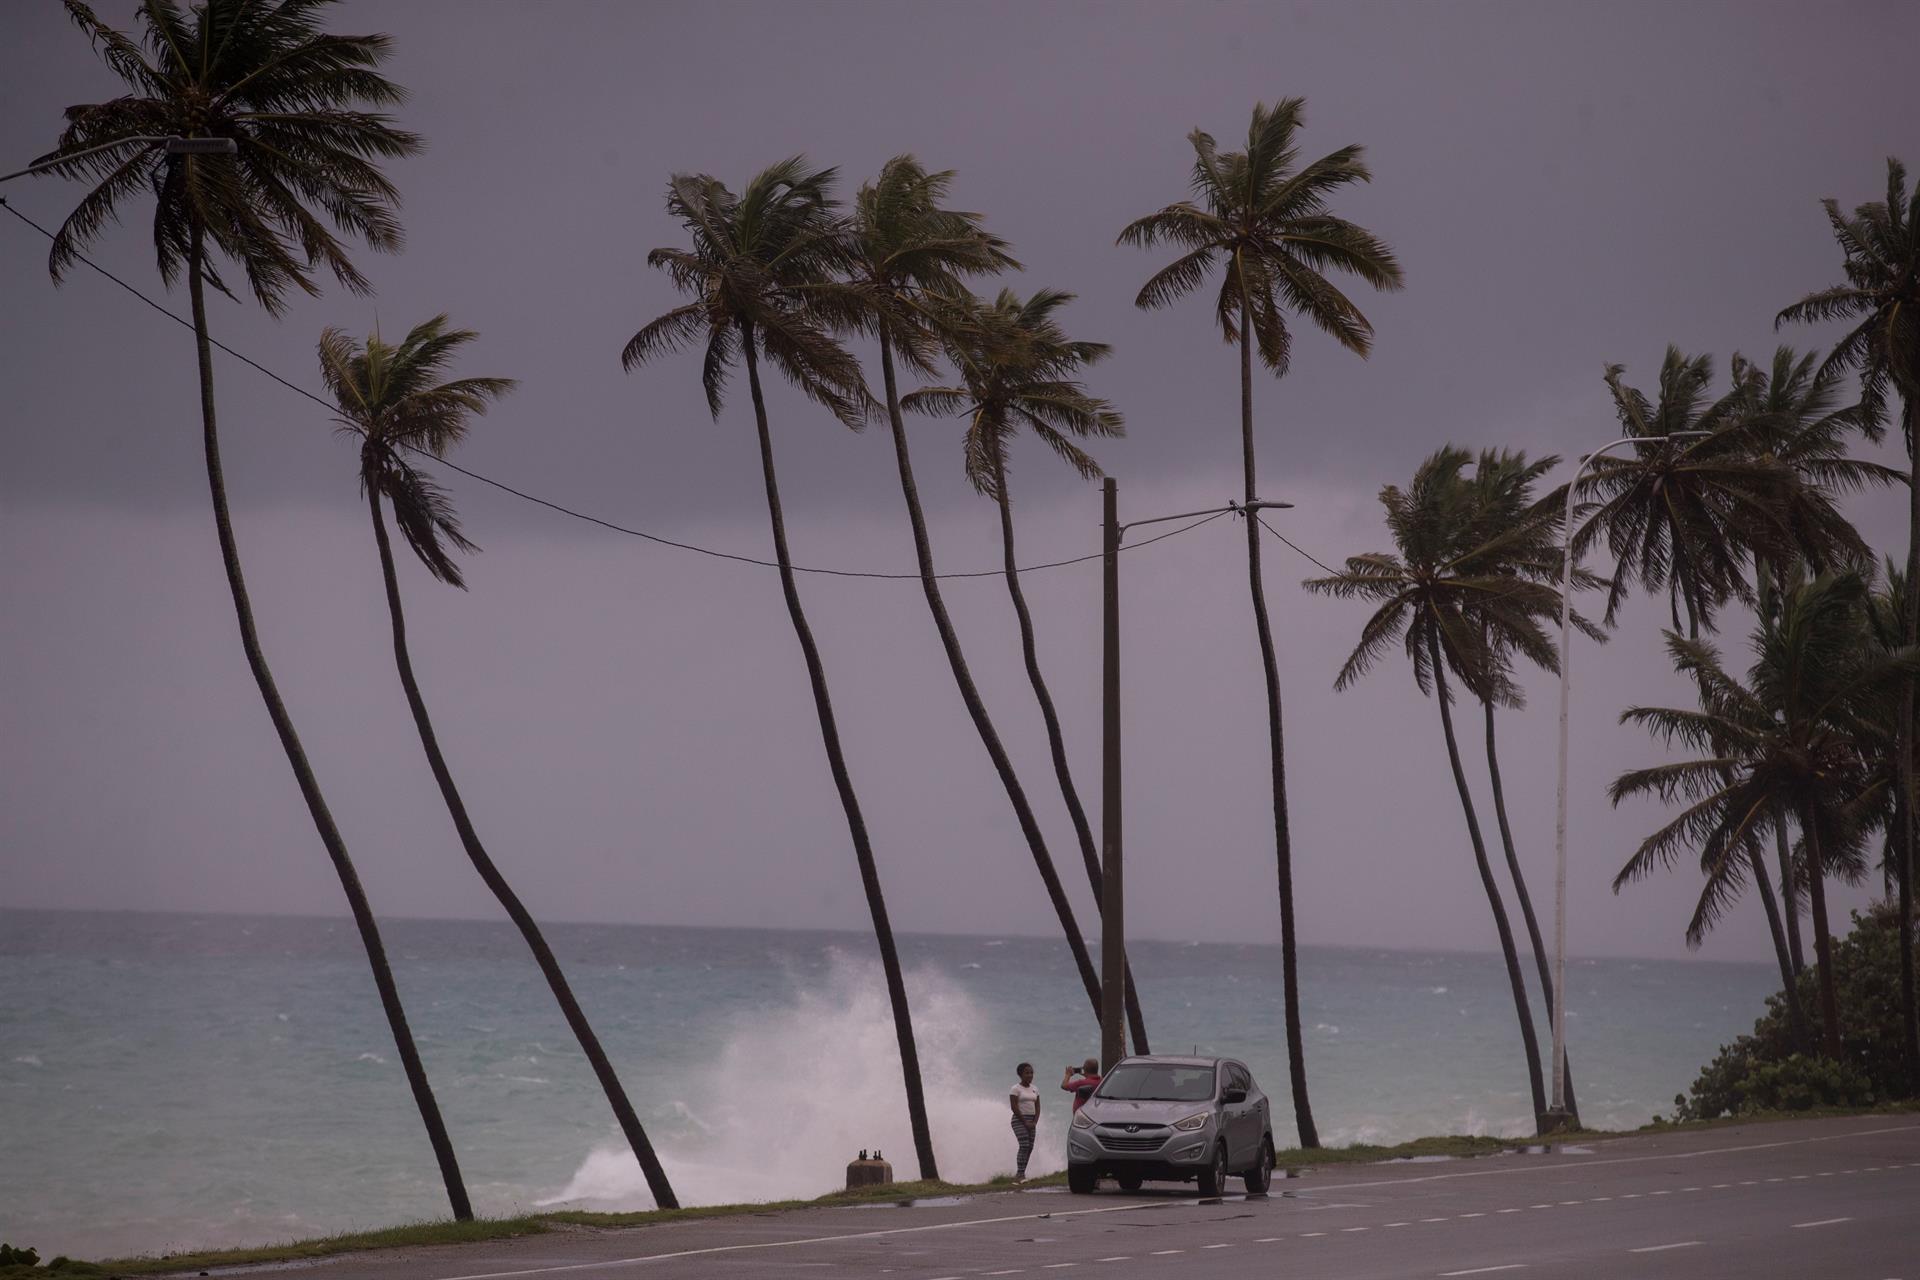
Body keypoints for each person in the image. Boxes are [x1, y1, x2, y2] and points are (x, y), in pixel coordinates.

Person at [1008, 1061, 1039, 1182]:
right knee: (1024, 1145)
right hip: (1019, 1119)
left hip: (1032, 1120)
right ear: (1020, 1074)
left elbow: (1038, 1107)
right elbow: (1014, 1106)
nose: (1030, 1075)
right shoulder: (1015, 1089)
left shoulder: (1035, 1089)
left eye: (1031, 1073)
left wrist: (1035, 1121)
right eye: (1027, 1073)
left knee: (1030, 1147)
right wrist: (1025, 1122)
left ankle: (1021, 1173)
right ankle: (1020, 1174)